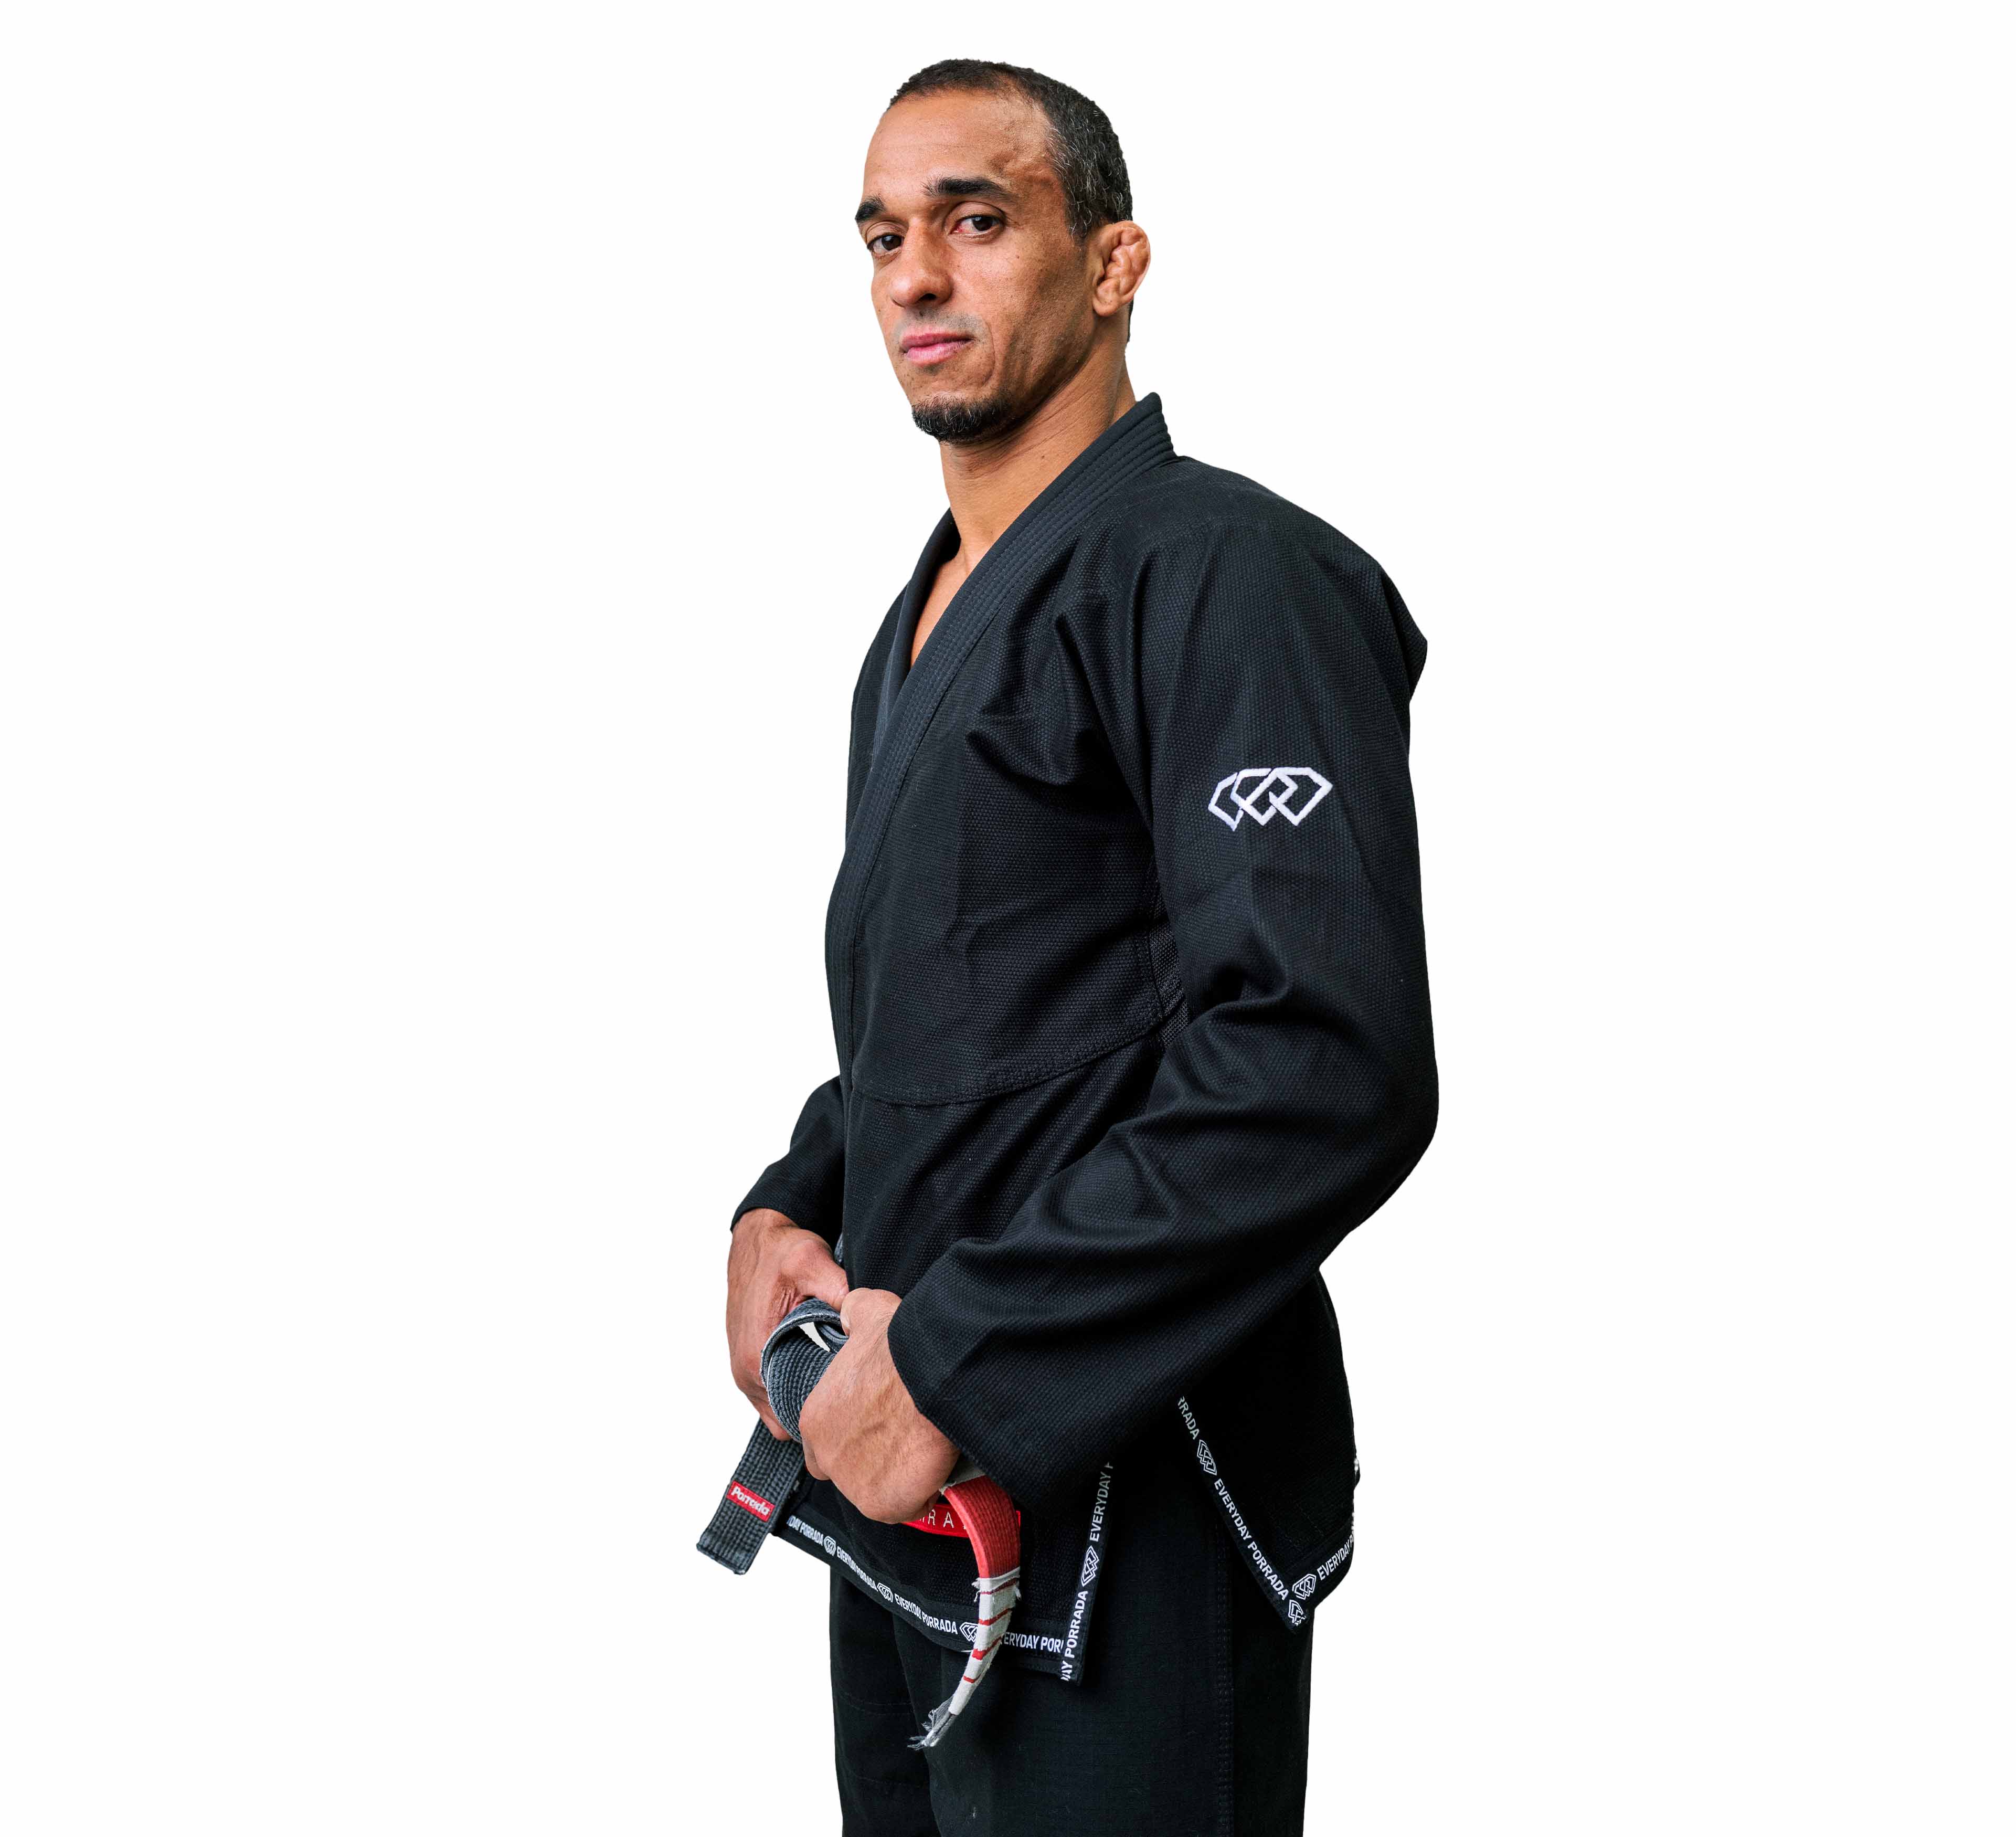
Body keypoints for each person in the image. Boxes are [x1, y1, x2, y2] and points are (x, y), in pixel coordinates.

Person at [719, 58, 1437, 1834]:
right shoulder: (926, 613)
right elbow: (973, 1008)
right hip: (904, 1485)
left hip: (1126, 1492)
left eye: (975, 219)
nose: (913, 274)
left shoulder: (1221, 576)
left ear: (1112, 262)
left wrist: (962, 1361)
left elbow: (1316, 1056)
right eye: (883, 234)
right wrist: (786, 1201)